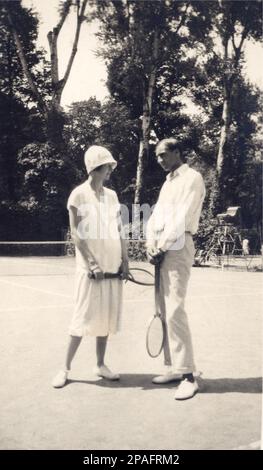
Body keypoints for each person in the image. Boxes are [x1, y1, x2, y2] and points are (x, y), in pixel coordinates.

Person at [52, 145, 129, 388]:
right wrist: (92, 264)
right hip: (90, 268)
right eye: (108, 166)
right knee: (82, 316)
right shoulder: (78, 195)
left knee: (105, 317)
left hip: (112, 265)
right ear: (95, 168)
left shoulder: (113, 196)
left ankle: (100, 364)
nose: (111, 170)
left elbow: (119, 230)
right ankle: (64, 368)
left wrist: (125, 260)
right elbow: (76, 233)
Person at [146, 138, 206, 400]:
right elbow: (156, 217)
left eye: (163, 155)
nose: (159, 160)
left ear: (178, 153)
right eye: (157, 156)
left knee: (175, 310)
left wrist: (163, 245)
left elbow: (182, 217)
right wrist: (151, 244)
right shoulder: (168, 182)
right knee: (162, 309)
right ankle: (173, 367)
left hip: (179, 246)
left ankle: (189, 376)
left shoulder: (192, 178)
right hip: (161, 248)